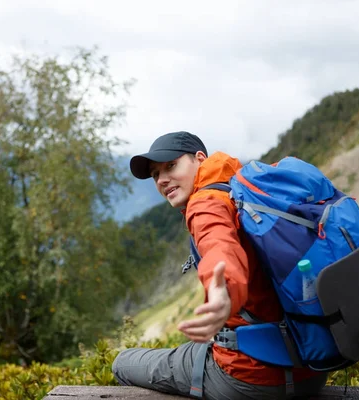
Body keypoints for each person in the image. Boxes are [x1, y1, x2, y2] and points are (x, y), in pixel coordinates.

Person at [112, 131, 328, 399]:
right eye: (156, 175)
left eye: (171, 166)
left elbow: (219, 247)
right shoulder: (248, 188)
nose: (162, 180)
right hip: (313, 369)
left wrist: (222, 293)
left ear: (200, 159)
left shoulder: (205, 204)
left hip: (250, 379)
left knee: (122, 362)